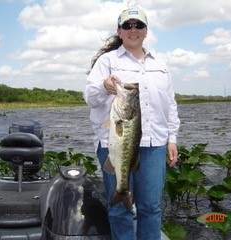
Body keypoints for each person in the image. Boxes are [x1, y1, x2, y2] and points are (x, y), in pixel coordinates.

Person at [84, 6, 180, 240]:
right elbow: (90, 97)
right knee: (119, 209)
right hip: (113, 144)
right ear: (119, 31)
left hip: (154, 145)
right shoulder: (107, 62)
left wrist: (172, 138)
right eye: (127, 25)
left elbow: (170, 104)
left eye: (139, 25)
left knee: (151, 207)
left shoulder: (160, 65)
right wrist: (104, 87)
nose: (133, 29)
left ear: (146, 31)